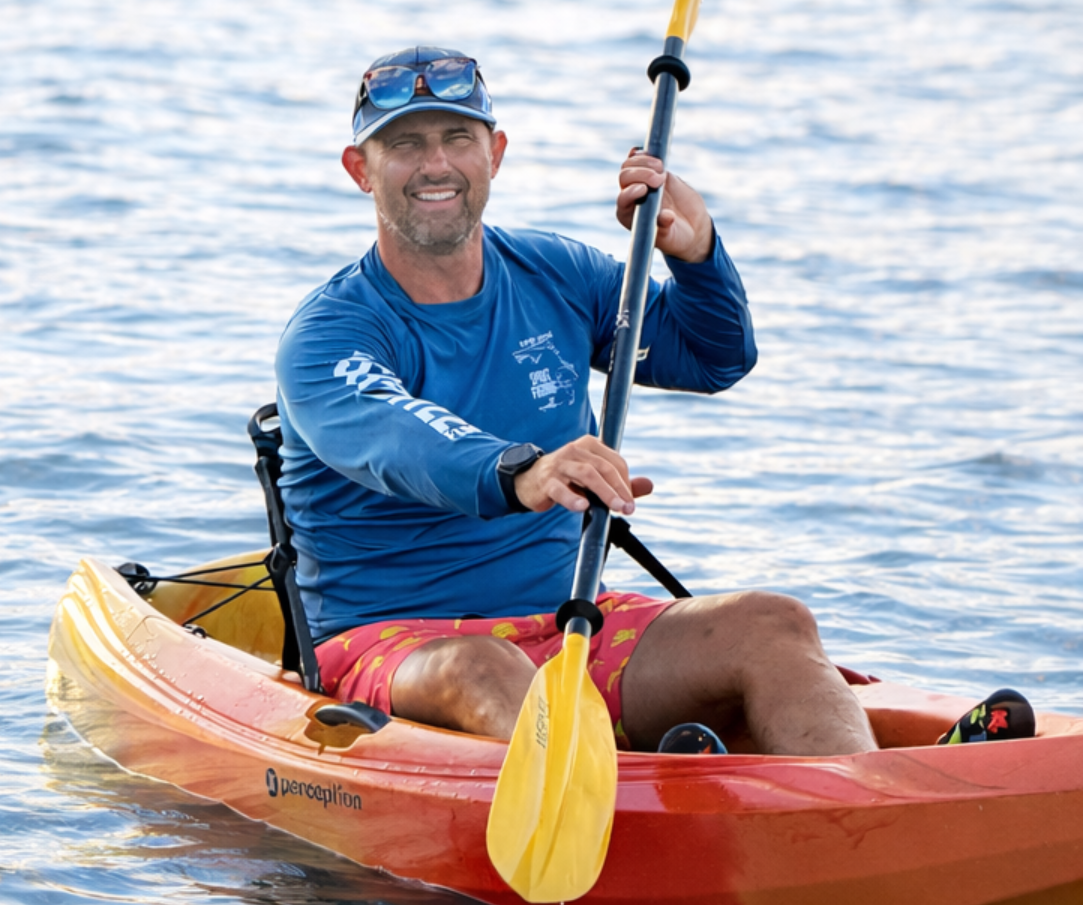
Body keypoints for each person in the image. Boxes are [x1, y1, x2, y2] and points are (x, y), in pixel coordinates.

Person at [274, 46, 1033, 755]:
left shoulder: (555, 275)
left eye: (455, 138)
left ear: (494, 154)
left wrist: (695, 253)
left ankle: (864, 812)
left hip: (570, 626)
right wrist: (522, 471)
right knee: (486, 668)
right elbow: (396, 436)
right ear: (358, 168)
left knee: (773, 622)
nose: (434, 164)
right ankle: (629, 810)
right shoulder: (328, 332)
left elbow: (710, 356)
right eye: (403, 145)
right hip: (396, 645)